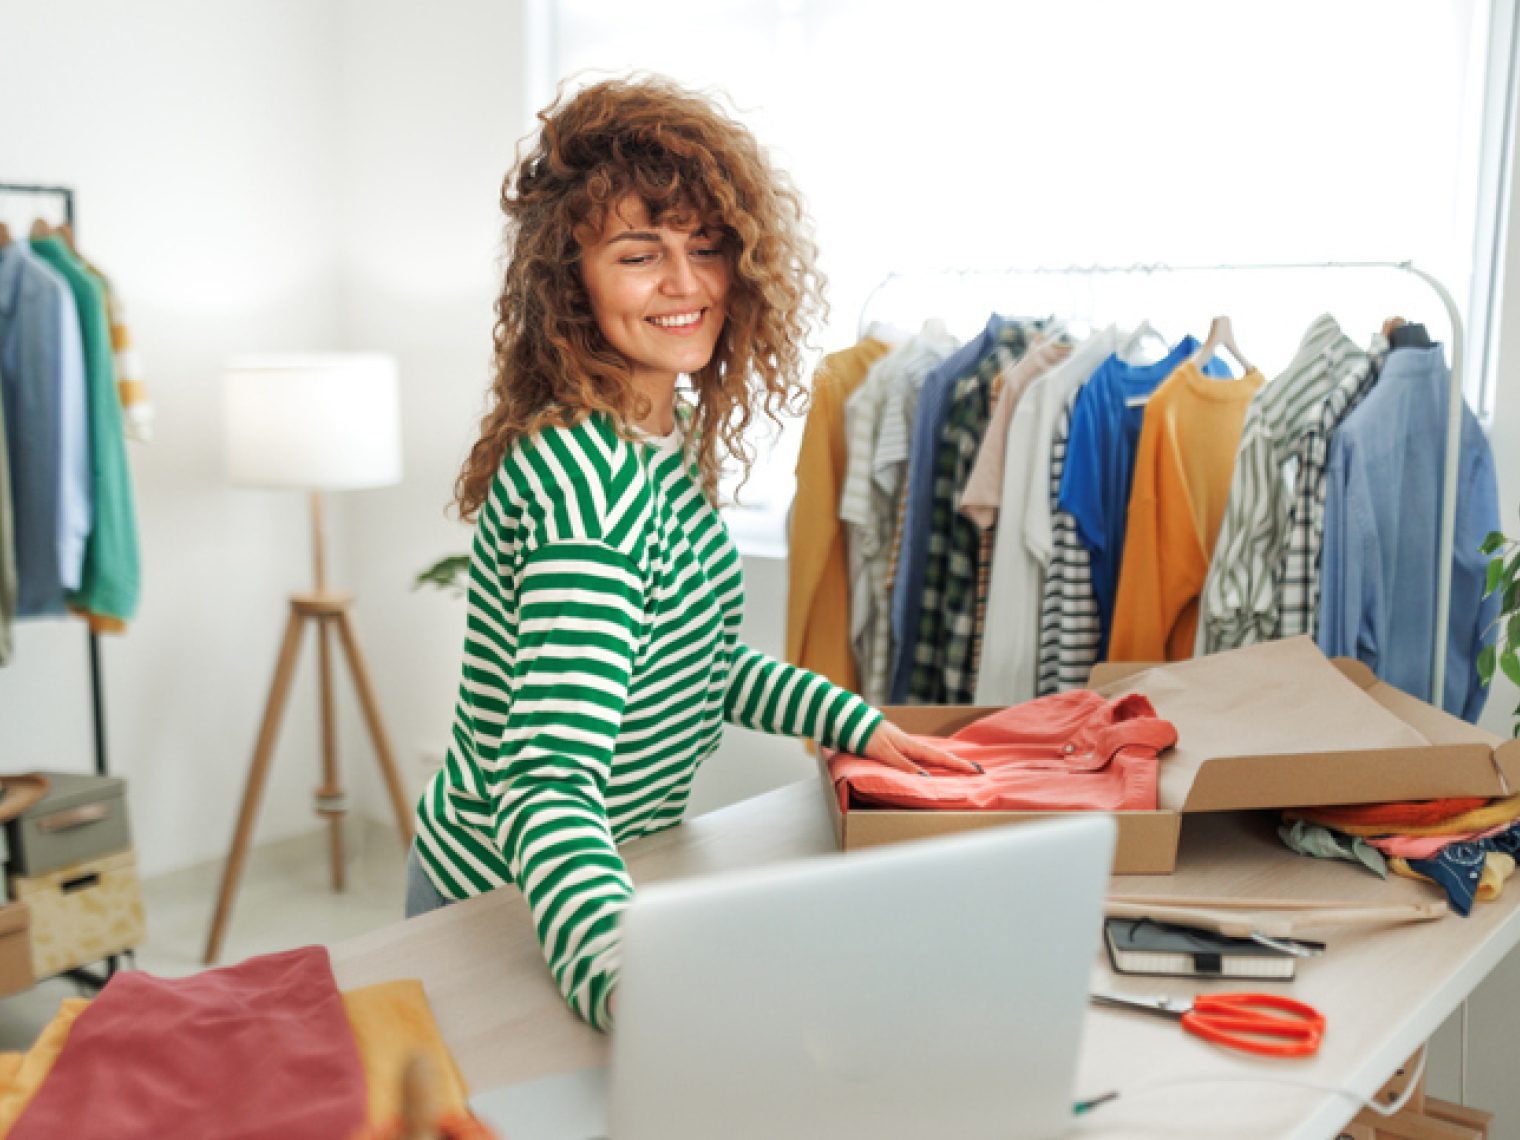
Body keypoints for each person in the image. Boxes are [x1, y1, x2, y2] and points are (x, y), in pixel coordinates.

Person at [404, 75, 974, 1031]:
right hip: (508, 905)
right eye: (640, 255)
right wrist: (629, 979)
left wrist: (855, 725)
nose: (687, 284)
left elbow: (695, 660)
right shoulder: (587, 491)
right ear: (569, 283)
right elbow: (548, 786)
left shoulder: (661, 448)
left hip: (596, 879)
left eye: (706, 248)